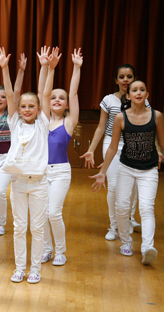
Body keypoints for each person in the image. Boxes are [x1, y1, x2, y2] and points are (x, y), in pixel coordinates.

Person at [90, 80, 163, 266]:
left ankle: (147, 248)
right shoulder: (121, 118)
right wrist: (103, 172)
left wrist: (160, 153)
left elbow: (162, 143)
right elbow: (113, 147)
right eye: (134, 90)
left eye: (142, 90)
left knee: (146, 208)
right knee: (122, 207)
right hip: (126, 168)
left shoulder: (157, 116)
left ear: (147, 95)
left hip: (149, 169)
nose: (138, 92)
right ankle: (126, 243)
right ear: (128, 96)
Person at [1, 46, 58, 284]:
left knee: (37, 228)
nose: (26, 109)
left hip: (39, 184)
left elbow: (44, 94)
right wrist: (4, 68)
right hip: (18, 183)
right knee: (19, 227)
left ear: (38, 109)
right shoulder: (14, 122)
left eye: (31, 106)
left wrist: (48, 68)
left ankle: (35, 269)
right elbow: (10, 94)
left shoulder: (43, 123)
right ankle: (19, 268)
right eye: (23, 106)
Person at [80, 64, 146, 240]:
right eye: (122, 77)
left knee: (131, 188)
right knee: (114, 187)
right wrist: (91, 149)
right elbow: (101, 127)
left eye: (129, 76)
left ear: (134, 78)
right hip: (111, 144)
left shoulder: (140, 97)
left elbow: (147, 124)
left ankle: (128, 219)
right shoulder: (108, 100)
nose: (126, 80)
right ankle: (113, 226)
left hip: (134, 145)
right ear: (116, 80)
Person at [41, 48, 83, 266]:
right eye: (53, 97)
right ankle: (47, 249)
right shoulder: (41, 121)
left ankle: (60, 252)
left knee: (53, 212)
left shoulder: (68, 122)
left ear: (67, 104)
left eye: (62, 98)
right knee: (43, 214)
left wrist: (76, 67)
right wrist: (48, 68)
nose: (56, 99)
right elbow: (43, 94)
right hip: (41, 172)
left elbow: (74, 92)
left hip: (60, 173)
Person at [0, 53, 27, 236]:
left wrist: (21, 71)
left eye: (2, 97)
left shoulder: (12, 115)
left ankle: (0, 223)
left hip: (5, 160)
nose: (0, 99)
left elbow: (13, 92)